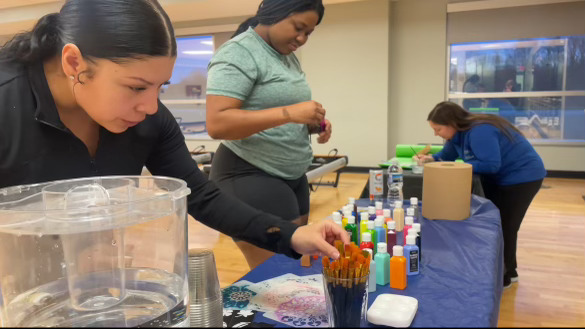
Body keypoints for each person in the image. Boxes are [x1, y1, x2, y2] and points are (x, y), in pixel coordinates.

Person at [0, 0, 348, 266]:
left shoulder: (149, 121)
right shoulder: (7, 103)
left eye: (160, 87)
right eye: (136, 87)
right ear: (75, 64)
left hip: (93, 284)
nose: (151, 107)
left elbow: (200, 196)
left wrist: (293, 234)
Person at [205, 0, 332, 269]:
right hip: (249, 173)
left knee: (298, 265)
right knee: (277, 273)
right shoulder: (239, 53)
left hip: (292, 176)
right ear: (273, 13)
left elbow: (275, 111)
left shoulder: (287, 56)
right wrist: (290, 113)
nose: (302, 38)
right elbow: (217, 123)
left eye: (309, 33)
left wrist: (310, 123)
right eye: (298, 28)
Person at [415, 101, 546, 288]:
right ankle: (510, 269)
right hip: (499, 178)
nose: (436, 134)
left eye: (438, 129)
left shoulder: (480, 131)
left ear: (452, 123)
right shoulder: (459, 134)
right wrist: (432, 158)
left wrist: (456, 167)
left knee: (506, 227)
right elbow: (448, 154)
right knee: (496, 224)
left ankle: (505, 277)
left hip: (522, 178)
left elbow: (491, 164)